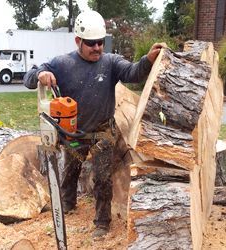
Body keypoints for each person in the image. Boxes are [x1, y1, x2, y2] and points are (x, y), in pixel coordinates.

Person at [23, 10, 164, 238]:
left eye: (100, 42)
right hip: (74, 134)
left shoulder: (110, 62)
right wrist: (41, 73)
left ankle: (102, 222)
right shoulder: (63, 63)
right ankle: (67, 204)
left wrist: (147, 60)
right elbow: (29, 79)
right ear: (78, 40)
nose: (97, 48)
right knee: (69, 171)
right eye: (91, 43)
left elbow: (133, 73)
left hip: (102, 132)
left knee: (102, 178)